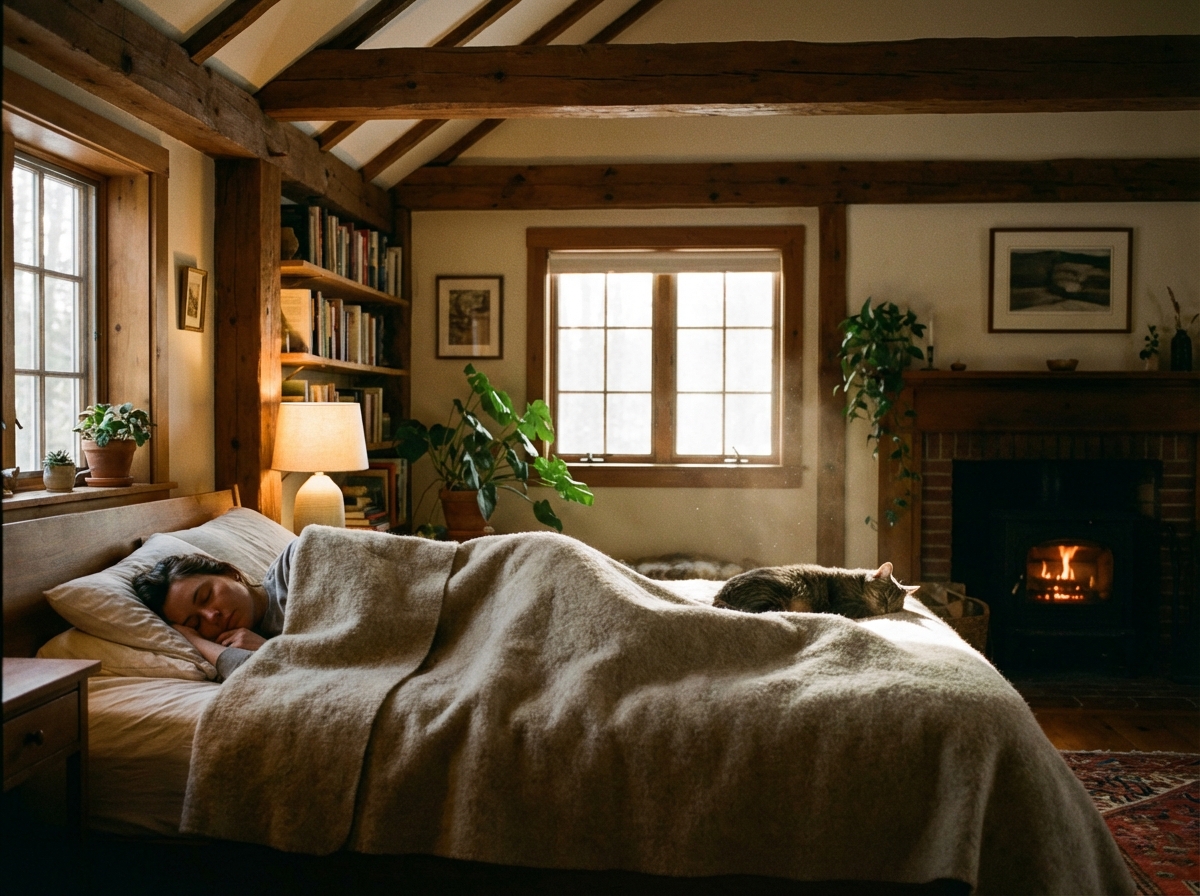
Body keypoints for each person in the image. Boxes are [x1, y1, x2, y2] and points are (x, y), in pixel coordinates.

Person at [132, 540, 297, 681]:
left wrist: (271, 649)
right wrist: (194, 640)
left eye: (206, 596)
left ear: (230, 573)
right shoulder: (245, 646)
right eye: (195, 623)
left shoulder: (292, 565)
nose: (211, 616)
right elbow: (256, 679)